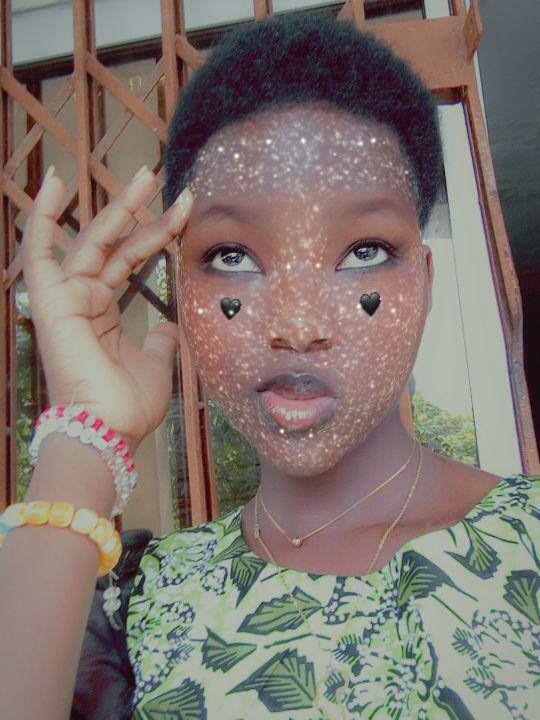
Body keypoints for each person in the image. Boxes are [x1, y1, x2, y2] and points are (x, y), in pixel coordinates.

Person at [0, 10, 538, 720]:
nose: (298, 328)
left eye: (365, 251)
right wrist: (83, 436)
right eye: (233, 256)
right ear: (181, 287)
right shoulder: (131, 606)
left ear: (426, 283)